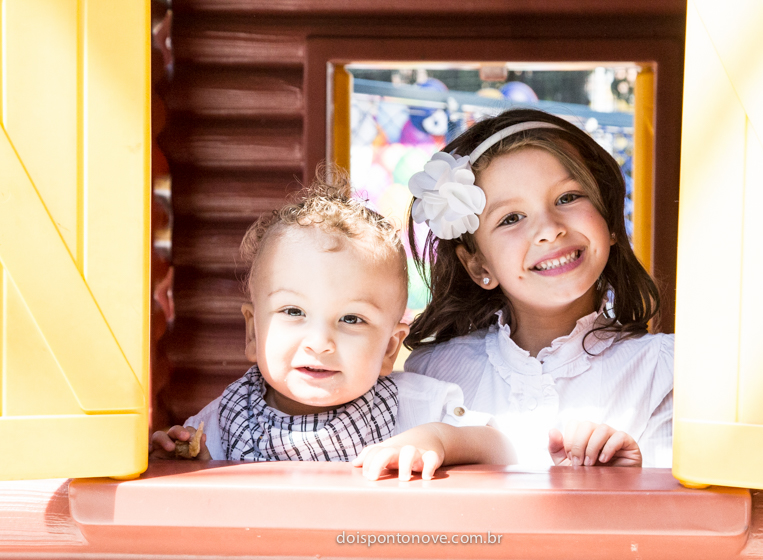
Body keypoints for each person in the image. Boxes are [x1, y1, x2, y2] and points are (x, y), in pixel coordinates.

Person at [150, 169, 516, 480]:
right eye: (293, 312)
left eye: (352, 319)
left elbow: (501, 447)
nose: (320, 342)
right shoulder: (222, 420)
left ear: (390, 348)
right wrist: (183, 462)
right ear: (252, 332)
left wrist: (438, 441)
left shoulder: (415, 406)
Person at [404, 108, 673, 468]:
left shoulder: (666, 370)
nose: (549, 229)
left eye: (567, 198)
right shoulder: (430, 373)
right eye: (511, 218)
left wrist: (631, 476)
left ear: (609, 219)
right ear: (478, 264)